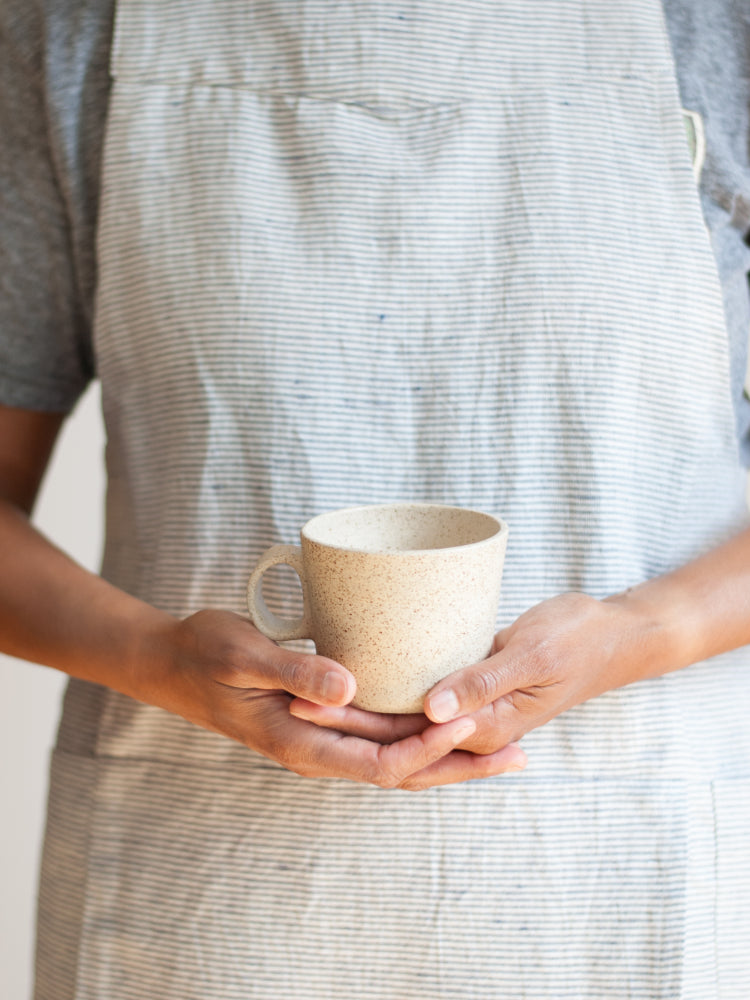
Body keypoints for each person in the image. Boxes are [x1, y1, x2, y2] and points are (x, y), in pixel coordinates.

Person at [2, 0, 750, 997]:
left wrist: (647, 629)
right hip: (201, 913)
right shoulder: (70, 30)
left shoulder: (718, 27)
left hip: (629, 897)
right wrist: (154, 657)